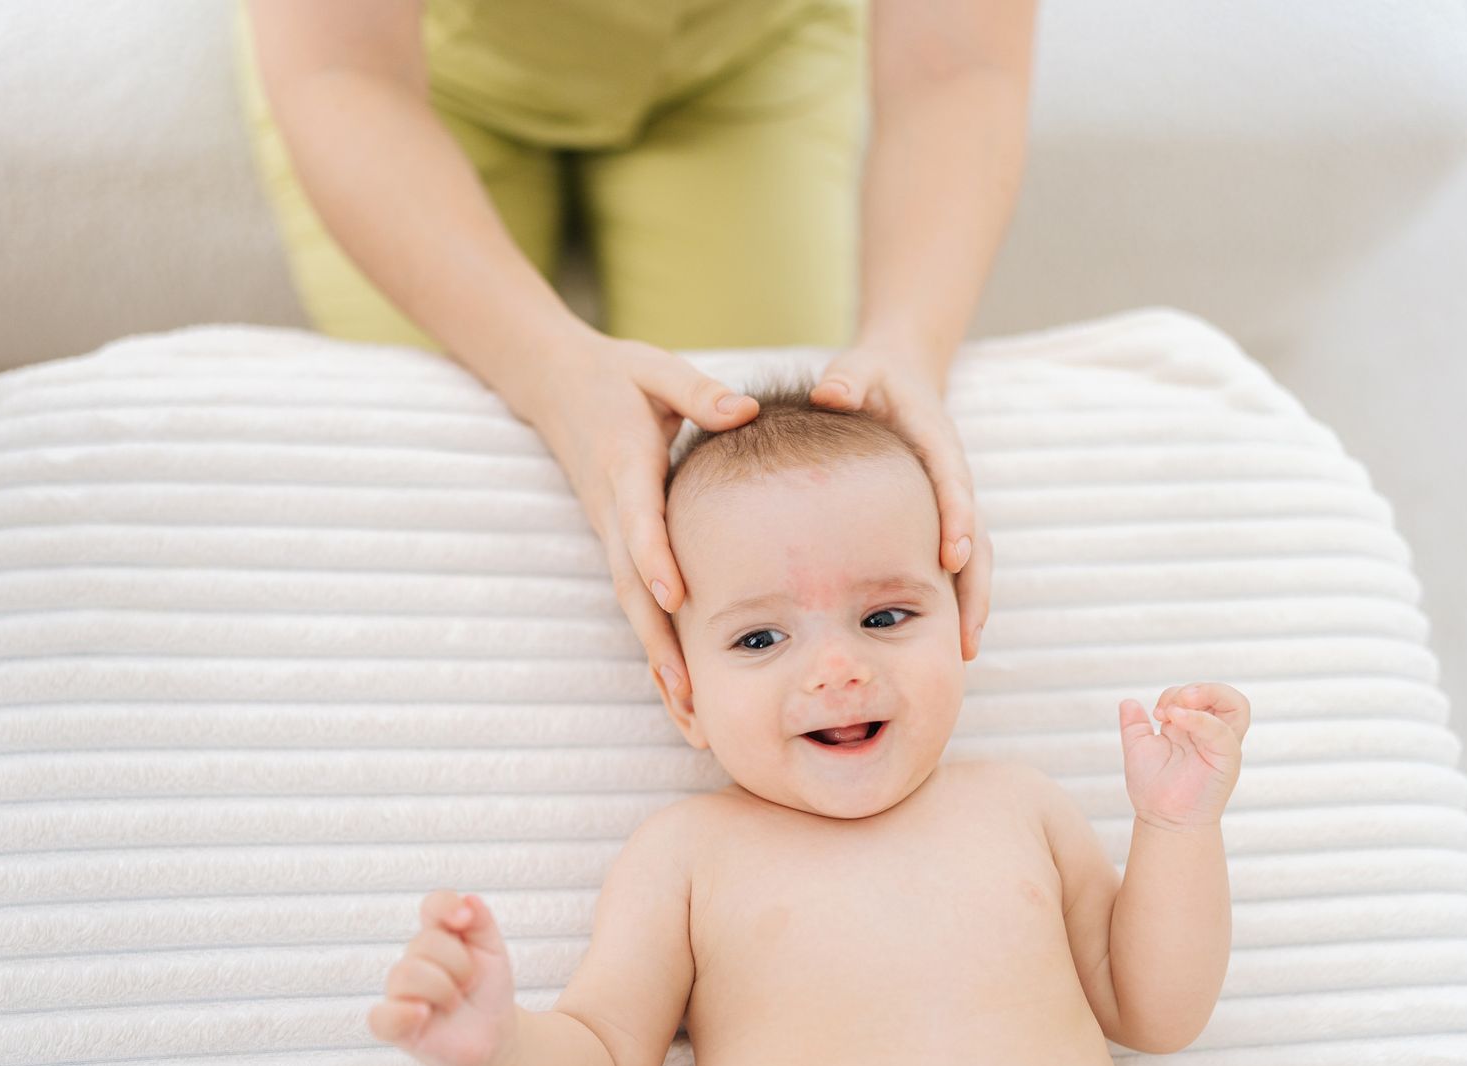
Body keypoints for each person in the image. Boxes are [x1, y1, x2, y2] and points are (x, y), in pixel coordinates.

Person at [366, 378, 1247, 1066]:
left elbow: (1156, 1011)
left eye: (884, 616)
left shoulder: (1022, 809)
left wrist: (1175, 830)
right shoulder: (690, 859)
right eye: (759, 640)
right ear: (684, 695)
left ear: (961, 625)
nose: (836, 668)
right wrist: (498, 1053)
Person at [235, 0, 1038, 712]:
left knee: (763, 482)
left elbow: (958, 60)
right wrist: (544, 369)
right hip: (413, 73)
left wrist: (910, 343)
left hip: (739, 64)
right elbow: (340, 65)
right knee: (457, 460)